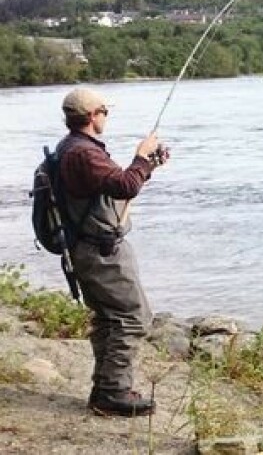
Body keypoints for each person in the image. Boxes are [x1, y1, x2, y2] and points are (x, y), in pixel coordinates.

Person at [57, 88, 168, 417]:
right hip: (99, 251)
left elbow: (117, 184)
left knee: (108, 318)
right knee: (132, 318)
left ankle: (105, 388)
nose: (107, 116)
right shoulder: (83, 153)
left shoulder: (74, 149)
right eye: (105, 111)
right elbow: (124, 186)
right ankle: (113, 393)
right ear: (92, 116)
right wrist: (140, 155)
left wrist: (148, 166)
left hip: (88, 247)